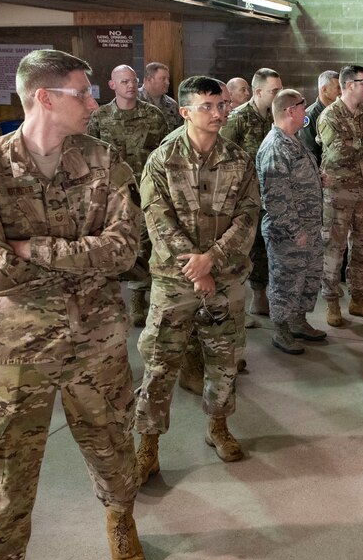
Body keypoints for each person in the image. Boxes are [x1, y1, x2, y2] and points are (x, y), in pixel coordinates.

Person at [0, 49, 146, 560]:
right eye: (81, 93)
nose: (93, 101)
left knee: (111, 448)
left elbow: (125, 250)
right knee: (2, 479)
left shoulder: (104, 161)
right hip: (17, 350)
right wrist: (82, 261)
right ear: (44, 97)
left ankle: (120, 517)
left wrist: (33, 249)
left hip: (95, 341)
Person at [135, 76, 259, 472]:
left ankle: (218, 426)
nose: (218, 113)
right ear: (185, 111)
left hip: (224, 277)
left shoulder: (238, 159)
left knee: (223, 358)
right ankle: (148, 444)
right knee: (159, 363)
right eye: (206, 106)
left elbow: (247, 215)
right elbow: (157, 219)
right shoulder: (162, 159)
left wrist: (213, 260)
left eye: (221, 104)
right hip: (175, 281)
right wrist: (195, 266)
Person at [87, 65, 169, 327]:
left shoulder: (154, 116)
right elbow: (89, 156)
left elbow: (165, 155)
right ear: (112, 85)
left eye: (133, 81)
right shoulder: (99, 117)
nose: (130, 86)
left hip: (147, 190)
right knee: (112, 245)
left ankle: (139, 299)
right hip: (112, 195)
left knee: (146, 245)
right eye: (124, 82)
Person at [317, 64, 363, 326]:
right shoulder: (329, 116)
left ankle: (358, 299)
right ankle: (332, 303)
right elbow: (335, 152)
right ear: (349, 85)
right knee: (334, 248)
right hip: (337, 191)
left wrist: (353, 145)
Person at [256, 89, 326, 354]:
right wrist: (296, 231)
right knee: (286, 280)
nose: (305, 110)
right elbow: (275, 199)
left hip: (307, 227)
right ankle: (282, 329)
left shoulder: (293, 140)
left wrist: (318, 179)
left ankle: (299, 321)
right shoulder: (275, 146)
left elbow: (296, 180)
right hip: (288, 232)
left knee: (307, 277)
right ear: (289, 111)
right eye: (302, 105)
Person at [220, 68, 282, 319]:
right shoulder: (238, 118)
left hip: (267, 194)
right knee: (239, 250)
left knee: (262, 246)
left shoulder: (273, 117)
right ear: (258, 92)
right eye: (274, 91)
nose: (278, 95)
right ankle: (234, 306)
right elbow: (222, 157)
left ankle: (259, 294)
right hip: (241, 198)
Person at [297, 70, 340, 164]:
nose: (341, 92)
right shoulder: (310, 115)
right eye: (338, 88)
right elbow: (308, 150)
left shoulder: (340, 112)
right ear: (324, 89)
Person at [139, 61, 181, 131]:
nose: (167, 83)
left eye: (168, 79)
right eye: (163, 79)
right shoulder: (134, 100)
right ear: (149, 79)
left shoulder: (172, 104)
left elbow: (178, 131)